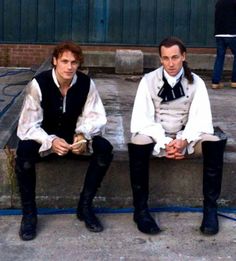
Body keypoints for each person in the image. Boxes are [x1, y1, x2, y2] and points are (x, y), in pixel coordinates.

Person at [128, 36, 227, 235]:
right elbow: (142, 120)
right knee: (138, 142)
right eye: (165, 58)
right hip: (157, 136)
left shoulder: (196, 82)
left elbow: (201, 119)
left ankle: (210, 210)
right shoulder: (148, 81)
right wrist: (165, 142)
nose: (170, 63)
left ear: (184, 56)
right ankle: (141, 210)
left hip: (186, 137)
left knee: (213, 142)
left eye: (175, 57)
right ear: (160, 59)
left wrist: (184, 140)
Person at [15, 41, 113, 241]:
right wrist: (50, 141)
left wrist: (82, 135)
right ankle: (29, 215)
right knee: (23, 151)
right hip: (44, 137)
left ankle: (85, 206)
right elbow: (27, 126)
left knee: (104, 148)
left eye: (74, 62)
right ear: (54, 61)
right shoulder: (39, 84)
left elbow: (96, 116)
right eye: (65, 61)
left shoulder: (86, 83)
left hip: (73, 137)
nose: (69, 67)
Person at [211, 0, 236, 89]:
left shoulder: (219, 3)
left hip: (219, 34)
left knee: (220, 57)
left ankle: (215, 82)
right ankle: (234, 81)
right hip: (232, 33)